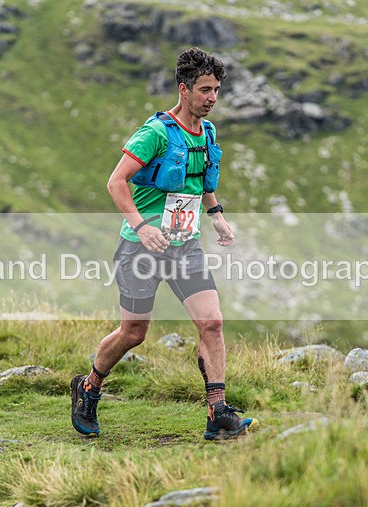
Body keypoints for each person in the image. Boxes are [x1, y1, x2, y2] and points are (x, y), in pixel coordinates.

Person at [71, 47, 258, 441]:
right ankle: (88, 387)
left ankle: (218, 413)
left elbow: (201, 181)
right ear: (183, 89)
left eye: (216, 90)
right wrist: (141, 227)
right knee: (133, 333)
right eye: (205, 89)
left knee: (212, 323)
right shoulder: (155, 133)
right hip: (141, 250)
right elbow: (115, 182)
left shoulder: (207, 132)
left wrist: (216, 215)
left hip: (185, 247)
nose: (212, 97)